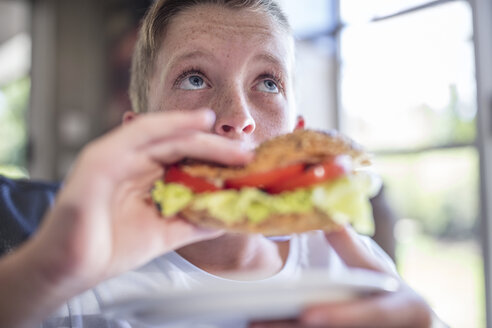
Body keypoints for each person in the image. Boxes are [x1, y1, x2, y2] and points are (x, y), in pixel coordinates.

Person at [0, 0, 437, 327]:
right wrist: (48, 272)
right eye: (194, 78)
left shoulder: (355, 269)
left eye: (268, 82)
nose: (238, 118)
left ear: (297, 132)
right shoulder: (76, 287)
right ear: (139, 130)